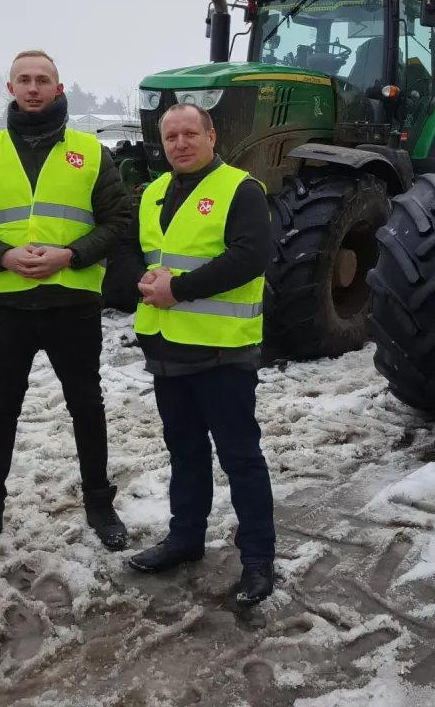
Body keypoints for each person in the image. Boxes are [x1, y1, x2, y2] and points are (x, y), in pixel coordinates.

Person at [0, 50, 133, 557]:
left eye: (42, 80)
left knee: (86, 406)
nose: (33, 88)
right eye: (23, 80)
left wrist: (70, 255)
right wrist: (2, 256)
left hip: (72, 303)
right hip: (7, 307)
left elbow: (118, 222)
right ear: (10, 89)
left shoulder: (90, 153)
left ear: (59, 87)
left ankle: (99, 502)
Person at [117, 102, 277, 607]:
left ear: (211, 137)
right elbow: (130, 252)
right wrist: (136, 282)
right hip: (167, 349)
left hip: (223, 354)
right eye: (171, 137)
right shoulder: (153, 194)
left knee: (240, 458)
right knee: (185, 453)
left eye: (190, 134)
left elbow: (250, 256)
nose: (180, 144)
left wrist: (178, 289)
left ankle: (257, 560)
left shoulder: (240, 190)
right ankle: (185, 539)